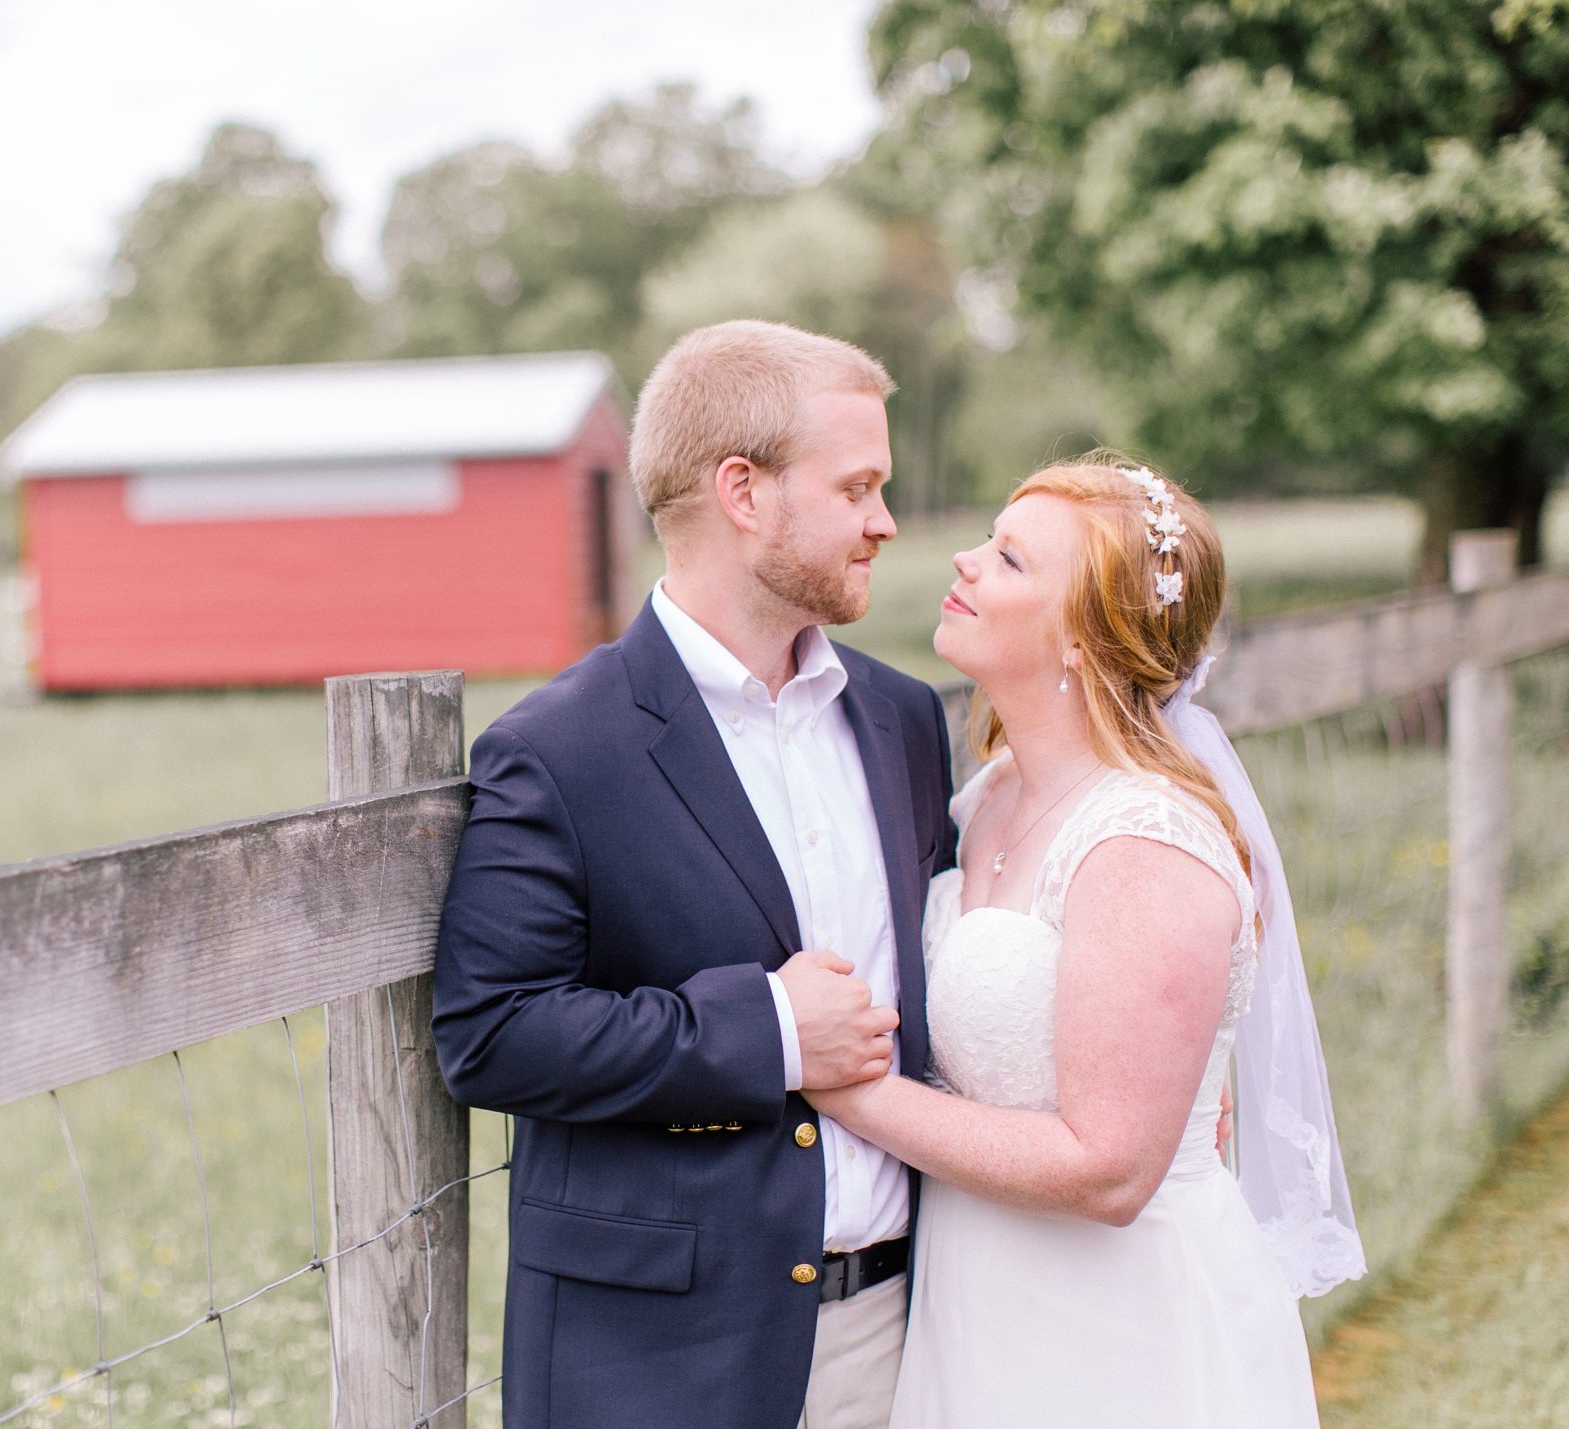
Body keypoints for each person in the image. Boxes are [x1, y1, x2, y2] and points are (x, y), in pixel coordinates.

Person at [432, 320, 955, 1429]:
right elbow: (491, 1031)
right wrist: (765, 1030)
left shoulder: (902, 719)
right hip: (661, 1359)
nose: (884, 521)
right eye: (856, 486)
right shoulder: (559, 748)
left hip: (904, 1330)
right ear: (742, 491)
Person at [802, 454, 1365, 1429]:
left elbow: (1107, 1168)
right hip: (972, 1303)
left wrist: (844, 1088)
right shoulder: (985, 801)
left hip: (1118, 1327)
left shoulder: (1145, 840)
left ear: (1080, 638)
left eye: (1009, 559)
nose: (964, 560)